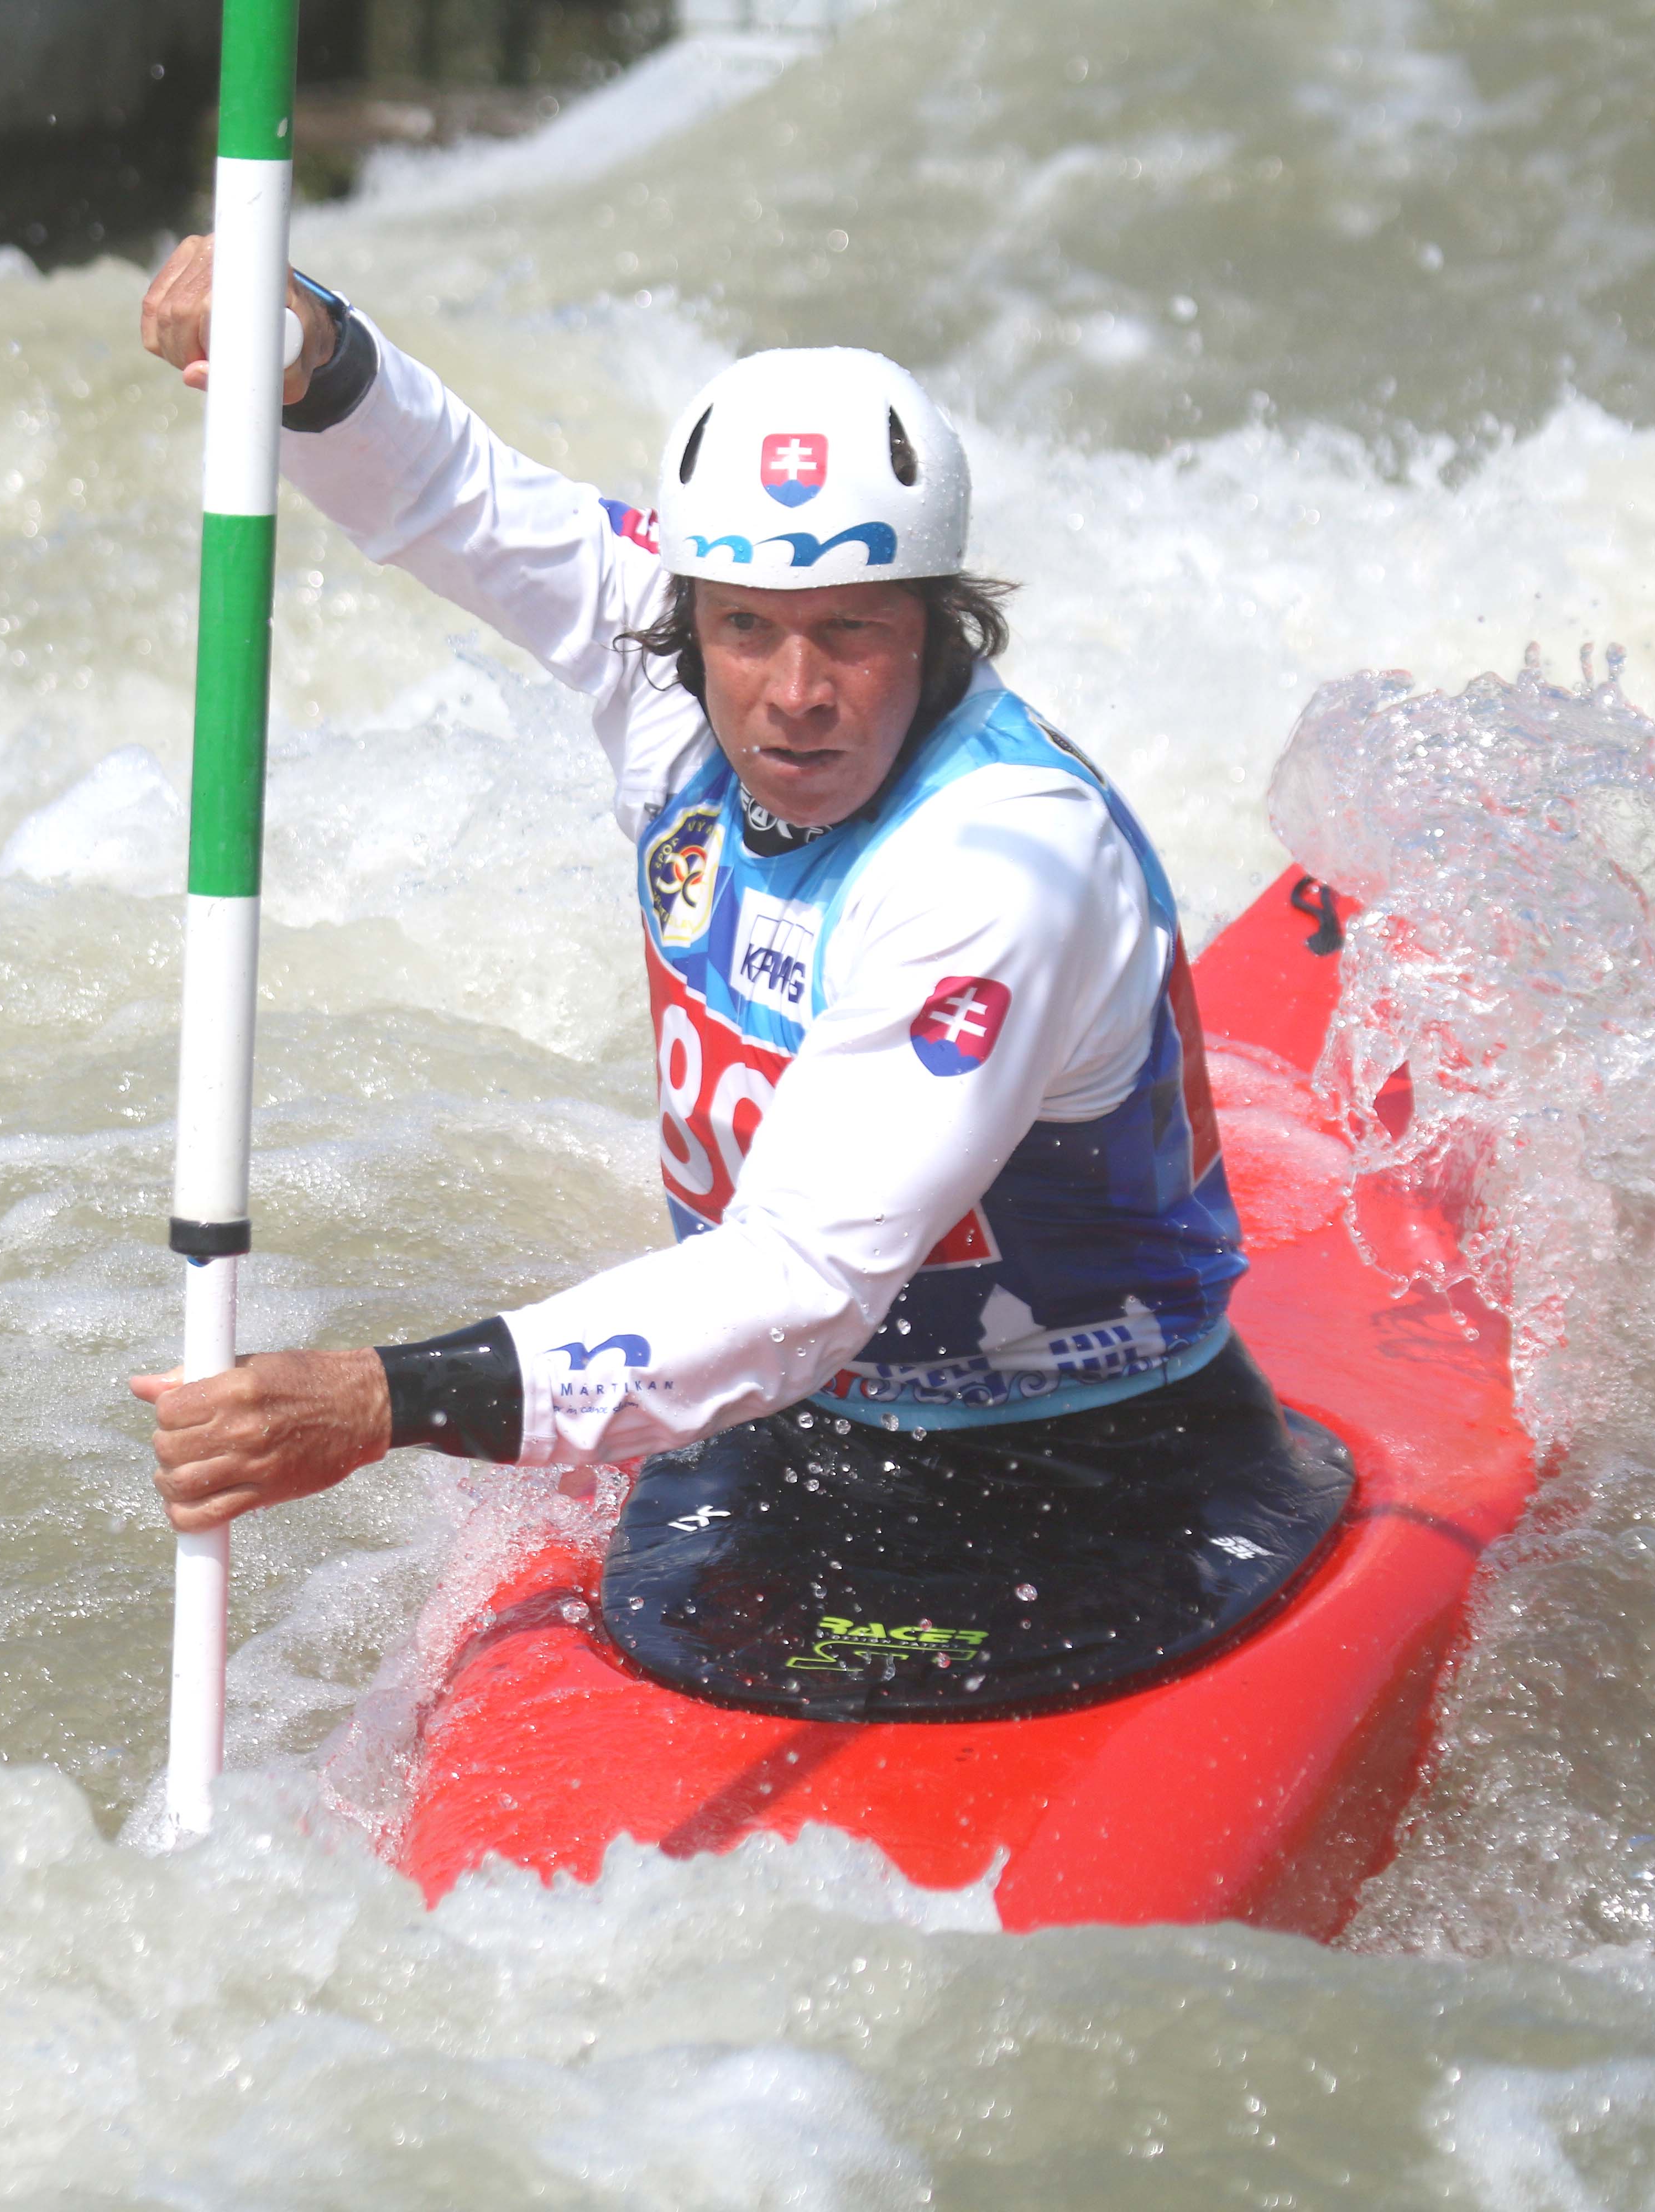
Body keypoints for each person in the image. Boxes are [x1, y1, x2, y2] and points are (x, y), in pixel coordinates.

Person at [128, 243, 1344, 1715]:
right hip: (804, 1435)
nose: (795, 693)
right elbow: (453, 495)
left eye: (856, 631)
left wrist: (385, 1400)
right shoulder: (679, 659)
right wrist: (307, 347)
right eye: (749, 631)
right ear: (691, 613)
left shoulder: (1001, 867)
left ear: (937, 621)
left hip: (1098, 1471)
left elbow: (802, 1286)